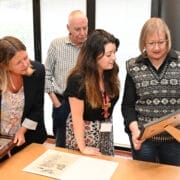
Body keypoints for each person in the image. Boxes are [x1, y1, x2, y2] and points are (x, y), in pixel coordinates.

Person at [121, 17, 180, 166]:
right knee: (143, 175)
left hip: (175, 139)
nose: (156, 48)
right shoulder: (134, 66)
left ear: (168, 41)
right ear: (143, 43)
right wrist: (135, 131)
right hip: (143, 138)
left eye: (161, 42)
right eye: (151, 43)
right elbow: (128, 106)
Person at [63, 29, 120, 156]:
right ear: (94, 55)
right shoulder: (77, 80)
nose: (114, 58)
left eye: (114, 53)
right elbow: (77, 118)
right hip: (83, 133)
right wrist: (82, 147)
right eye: (109, 54)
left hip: (105, 128)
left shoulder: (111, 72)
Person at [45, 10, 88, 147]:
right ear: (68, 28)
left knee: (85, 142)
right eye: (77, 29)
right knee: (62, 143)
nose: (82, 33)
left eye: (85, 28)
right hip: (62, 102)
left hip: (86, 102)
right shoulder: (56, 45)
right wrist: (55, 101)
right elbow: (46, 73)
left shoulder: (92, 47)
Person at [0, 36, 47, 158]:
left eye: (26, 57)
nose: (26, 64)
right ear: (4, 65)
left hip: (29, 138)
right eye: (18, 62)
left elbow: (37, 109)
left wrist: (22, 131)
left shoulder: (38, 71)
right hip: (2, 143)